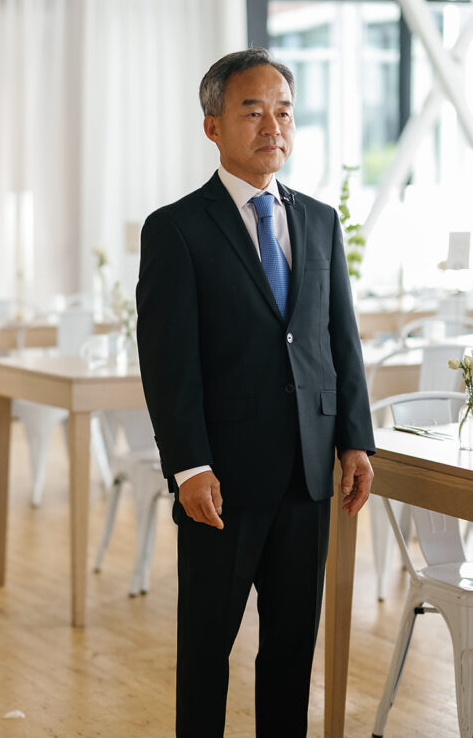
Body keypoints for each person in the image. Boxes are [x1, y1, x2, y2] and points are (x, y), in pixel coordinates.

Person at [136, 49, 375, 738]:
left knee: (290, 651)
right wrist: (189, 465)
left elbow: (339, 340)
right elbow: (167, 362)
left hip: (307, 474)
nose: (272, 125)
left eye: (283, 111)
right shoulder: (177, 228)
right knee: (207, 650)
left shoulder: (320, 221)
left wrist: (353, 437)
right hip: (221, 480)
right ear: (212, 125)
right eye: (252, 110)